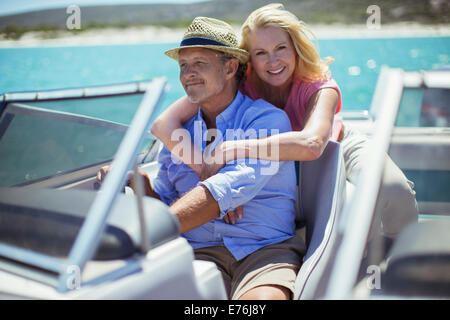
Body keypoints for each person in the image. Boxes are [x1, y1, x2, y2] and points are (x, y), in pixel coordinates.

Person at [151, 3, 419, 239]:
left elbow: (312, 143)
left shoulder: (318, 85)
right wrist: (206, 169)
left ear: (295, 49)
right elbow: (163, 125)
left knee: (394, 190)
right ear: (247, 60)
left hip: (334, 148)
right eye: (260, 53)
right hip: (276, 160)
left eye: (281, 48)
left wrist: (233, 149)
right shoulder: (239, 83)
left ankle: (399, 261)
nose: (273, 61)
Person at [98, 16, 305, 300]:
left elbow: (227, 187)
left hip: (264, 251)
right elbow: (169, 202)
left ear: (230, 67)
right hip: (196, 253)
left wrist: (141, 238)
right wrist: (141, 185)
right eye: (183, 66)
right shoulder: (179, 135)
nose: (188, 74)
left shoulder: (267, 120)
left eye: (199, 64)